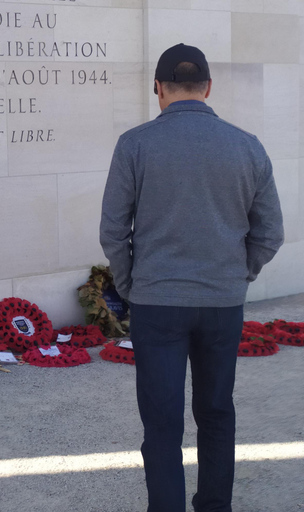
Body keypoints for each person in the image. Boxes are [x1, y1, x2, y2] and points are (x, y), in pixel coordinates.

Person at [99, 43, 284, 512]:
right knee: (217, 412)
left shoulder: (136, 144)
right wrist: (237, 274)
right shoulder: (247, 145)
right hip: (222, 303)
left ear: (158, 89)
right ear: (208, 88)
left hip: (157, 302)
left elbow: (113, 232)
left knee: (162, 424)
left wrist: (131, 285)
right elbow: (270, 233)